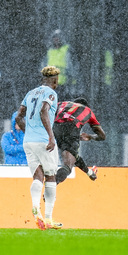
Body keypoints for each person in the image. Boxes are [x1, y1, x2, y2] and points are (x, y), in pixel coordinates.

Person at [16, 66, 62, 230]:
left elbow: (18, 116)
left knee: (37, 177)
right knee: (51, 176)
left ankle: (36, 209)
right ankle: (48, 218)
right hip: (44, 140)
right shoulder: (51, 93)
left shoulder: (30, 93)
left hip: (28, 141)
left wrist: (29, 132)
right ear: (55, 80)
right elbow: (44, 111)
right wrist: (50, 136)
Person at [53, 98, 106, 184]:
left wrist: (88, 172)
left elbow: (44, 111)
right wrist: (90, 136)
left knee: (72, 157)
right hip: (72, 126)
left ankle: (89, 173)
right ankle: (51, 186)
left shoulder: (61, 104)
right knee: (67, 166)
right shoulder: (88, 110)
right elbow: (102, 136)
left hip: (56, 127)